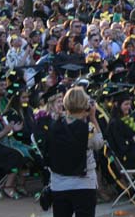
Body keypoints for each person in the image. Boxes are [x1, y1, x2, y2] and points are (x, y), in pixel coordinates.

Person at [48, 86, 104, 217]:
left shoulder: (54, 125)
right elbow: (99, 144)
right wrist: (93, 118)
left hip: (59, 183)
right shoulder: (87, 128)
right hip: (83, 183)